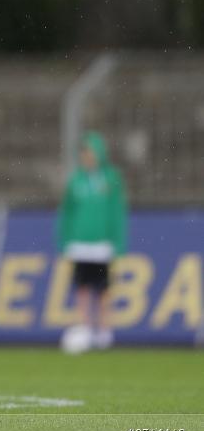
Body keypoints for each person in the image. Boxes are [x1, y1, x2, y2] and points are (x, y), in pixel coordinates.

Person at [57, 131, 128, 350]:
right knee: (82, 286)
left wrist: (118, 240)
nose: (87, 157)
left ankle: (104, 329)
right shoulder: (76, 180)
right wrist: (65, 239)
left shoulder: (111, 178)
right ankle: (85, 326)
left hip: (102, 244)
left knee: (104, 287)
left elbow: (118, 210)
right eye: (84, 153)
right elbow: (67, 212)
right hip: (80, 244)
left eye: (90, 153)